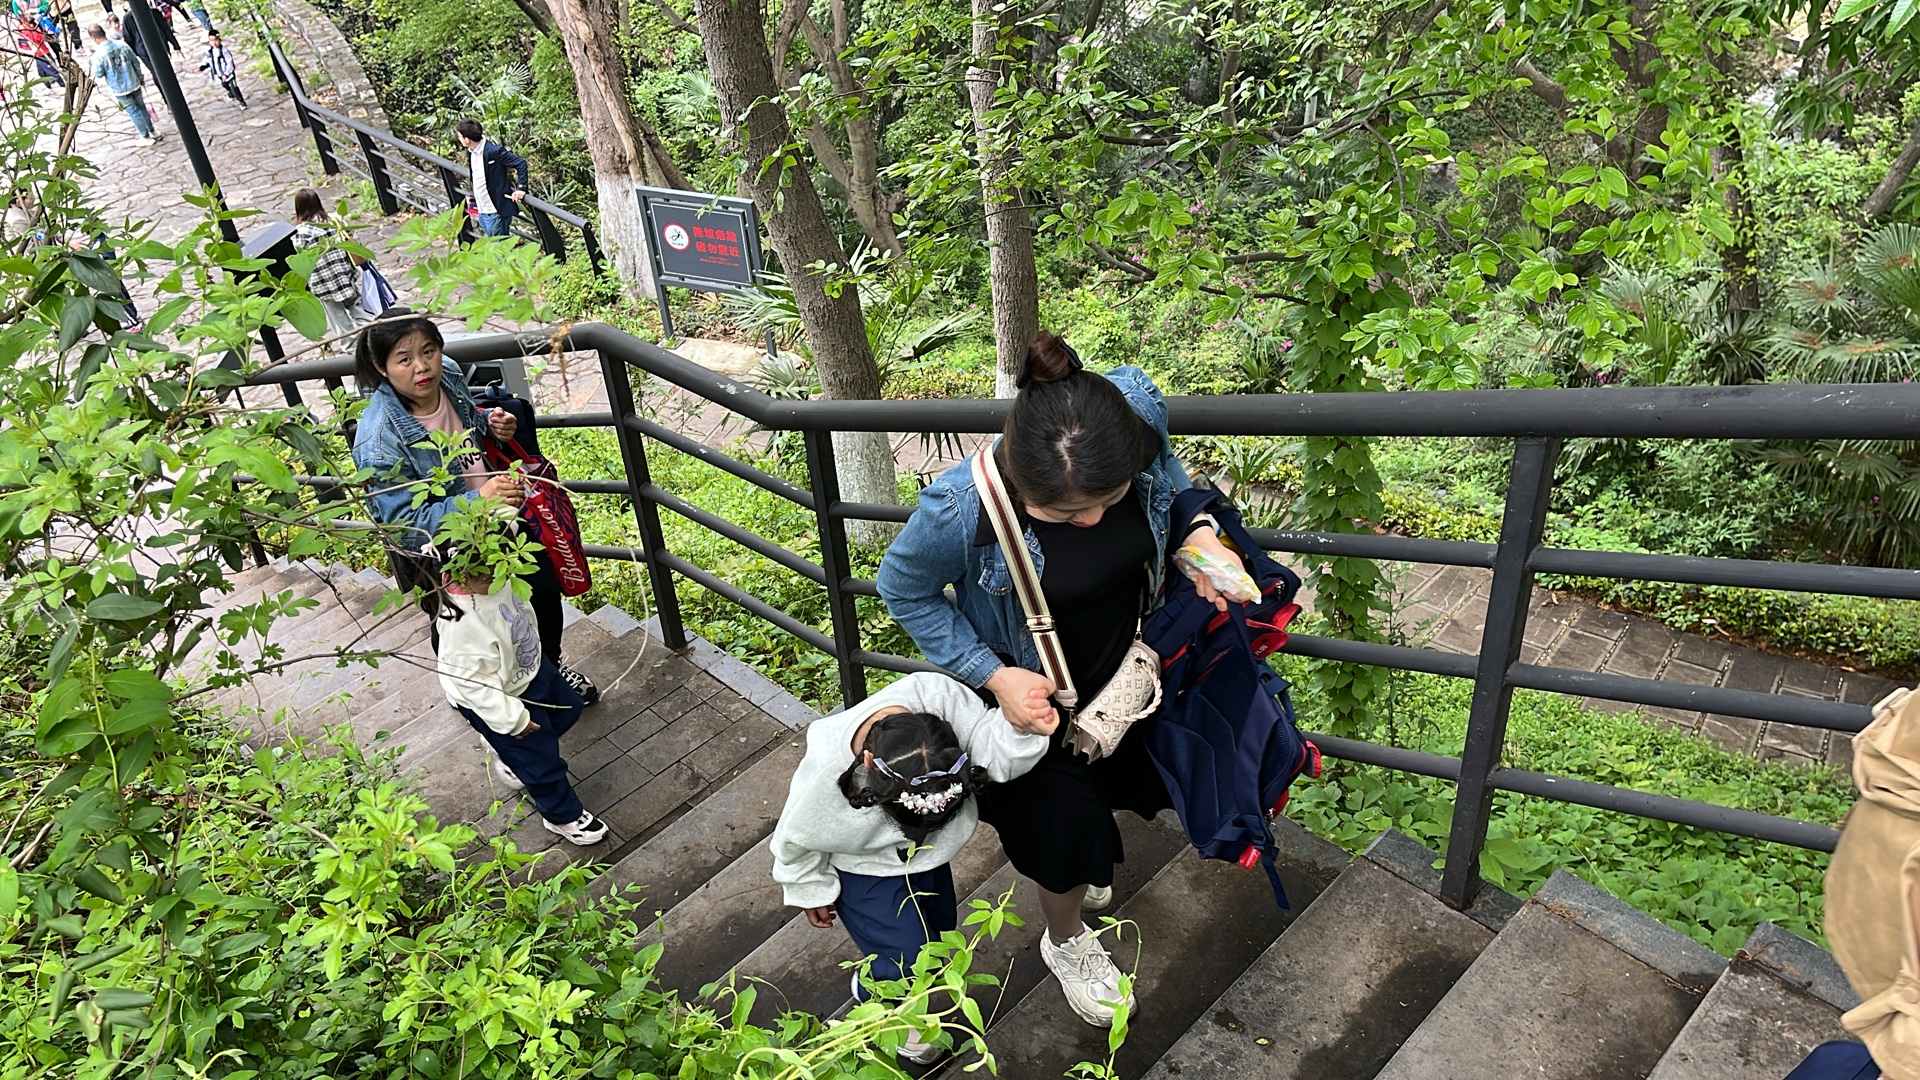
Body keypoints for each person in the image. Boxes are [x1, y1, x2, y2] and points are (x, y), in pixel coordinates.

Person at [875, 331, 1247, 1030]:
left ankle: (1089, 865)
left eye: (1109, 498)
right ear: (1022, 482)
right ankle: (1065, 936)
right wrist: (991, 675)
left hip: (1123, 671)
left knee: (1120, 787)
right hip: (1030, 700)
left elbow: (1166, 471)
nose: (1094, 519)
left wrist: (1195, 526)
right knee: (1064, 836)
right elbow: (904, 590)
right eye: (1068, 514)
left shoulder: (1130, 411)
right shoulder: (961, 509)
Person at [770, 671, 1051, 1067]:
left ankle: (902, 981)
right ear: (868, 765)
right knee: (903, 954)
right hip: (863, 870)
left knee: (939, 929)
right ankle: (882, 1002)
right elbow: (795, 837)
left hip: (928, 860)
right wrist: (808, 887)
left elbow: (992, 744)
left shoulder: (939, 696)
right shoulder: (824, 776)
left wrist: (1022, 728)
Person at [350, 308, 601, 706]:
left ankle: (546, 672)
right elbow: (402, 526)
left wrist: (490, 423)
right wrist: (477, 500)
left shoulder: (447, 373)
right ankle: (469, 689)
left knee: (542, 595)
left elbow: (465, 421)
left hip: (502, 518)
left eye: (428, 351)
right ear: (382, 367)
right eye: (404, 359)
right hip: (451, 546)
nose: (422, 367)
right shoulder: (379, 440)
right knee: (459, 620)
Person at [435, 526, 608, 846]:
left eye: (502, 562)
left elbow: (506, 520)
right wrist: (511, 720)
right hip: (501, 695)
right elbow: (472, 683)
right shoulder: (462, 623)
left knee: (569, 708)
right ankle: (561, 815)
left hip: (528, 668)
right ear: (463, 572)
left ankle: (509, 750)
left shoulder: (499, 574)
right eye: (487, 571)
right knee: (541, 761)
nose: (498, 573)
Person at [290, 188, 369, 345]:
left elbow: (298, 260)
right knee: (357, 307)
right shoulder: (336, 221)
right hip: (345, 276)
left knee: (339, 319)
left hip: (322, 283)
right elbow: (356, 244)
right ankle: (372, 336)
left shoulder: (299, 233)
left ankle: (351, 348)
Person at [454, 119, 528, 238]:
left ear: (467, 139)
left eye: (459, 137)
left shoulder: (494, 151)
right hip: (481, 209)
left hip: (495, 210)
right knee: (493, 245)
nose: (459, 139)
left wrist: (521, 188)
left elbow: (520, 163)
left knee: (498, 246)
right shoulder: (471, 151)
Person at [87, 24, 159, 144]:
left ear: (93, 38)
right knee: (142, 107)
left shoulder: (99, 54)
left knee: (133, 112)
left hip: (119, 88)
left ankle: (145, 136)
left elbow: (98, 73)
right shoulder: (122, 44)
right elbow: (135, 62)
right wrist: (140, 76)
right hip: (134, 81)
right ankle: (152, 131)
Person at [197, 31, 243, 107]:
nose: (214, 43)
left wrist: (226, 73)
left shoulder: (224, 51)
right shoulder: (210, 52)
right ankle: (230, 93)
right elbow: (208, 61)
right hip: (220, 74)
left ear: (220, 40)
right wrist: (201, 68)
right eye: (211, 40)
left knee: (234, 88)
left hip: (229, 74)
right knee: (225, 85)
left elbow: (229, 62)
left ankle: (242, 102)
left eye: (215, 40)